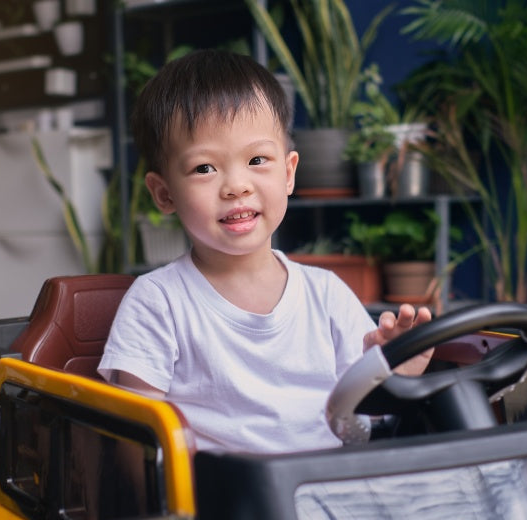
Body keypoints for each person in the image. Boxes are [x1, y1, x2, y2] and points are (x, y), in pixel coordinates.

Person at [98, 49, 433, 454]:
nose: (236, 185)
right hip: (225, 507)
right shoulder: (159, 303)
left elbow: (361, 423)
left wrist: (395, 374)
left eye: (258, 160)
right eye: (205, 168)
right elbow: (138, 444)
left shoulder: (326, 295)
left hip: (328, 493)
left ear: (288, 173)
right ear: (164, 193)